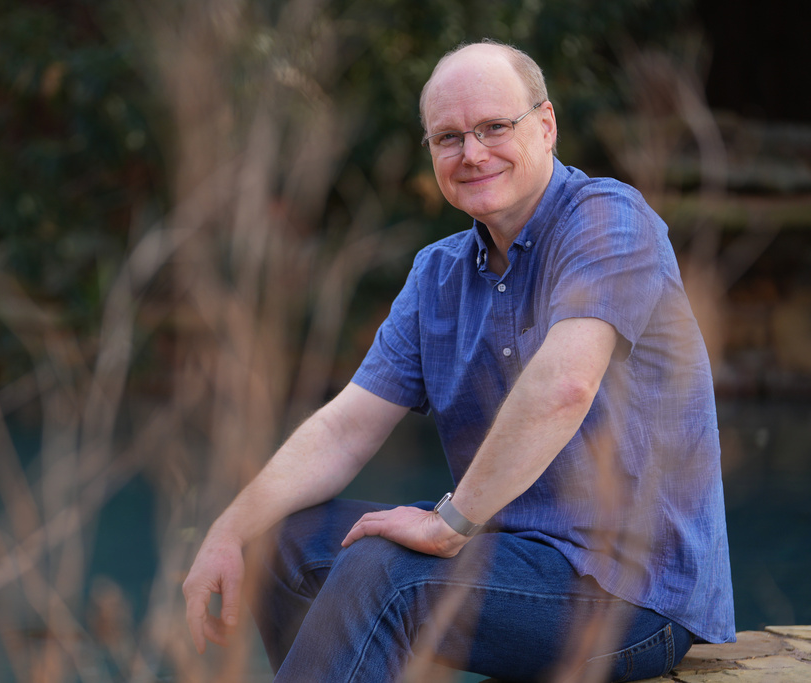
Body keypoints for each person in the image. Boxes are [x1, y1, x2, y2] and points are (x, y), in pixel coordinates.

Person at [182, 39, 735, 682]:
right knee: (281, 543)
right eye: (448, 137)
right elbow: (344, 428)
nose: (473, 153)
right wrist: (229, 527)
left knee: (385, 572)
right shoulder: (437, 274)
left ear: (547, 124)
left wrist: (450, 524)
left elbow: (566, 385)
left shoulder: (610, 222)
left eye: (495, 127)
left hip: (636, 599)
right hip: (512, 563)